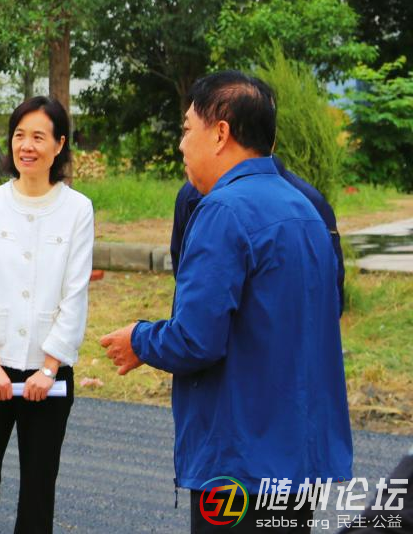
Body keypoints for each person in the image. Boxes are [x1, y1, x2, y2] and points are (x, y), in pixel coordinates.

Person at [101, 71, 352, 533]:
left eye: (186, 129)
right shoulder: (305, 208)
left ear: (220, 133)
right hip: (296, 456)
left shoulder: (223, 210)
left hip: (241, 462)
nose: (182, 144)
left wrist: (139, 339)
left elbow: (196, 340)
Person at [0, 95, 94, 534]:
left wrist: (50, 367)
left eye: (38, 136)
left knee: (38, 493)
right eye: (19, 135)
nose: (26, 146)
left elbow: (75, 295)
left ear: (59, 145)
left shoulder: (77, 209)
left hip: (47, 377)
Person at [170, 157, 345, 312]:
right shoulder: (190, 195)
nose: (182, 144)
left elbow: (330, 298)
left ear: (221, 136)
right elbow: (185, 280)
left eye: (188, 132)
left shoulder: (311, 203)